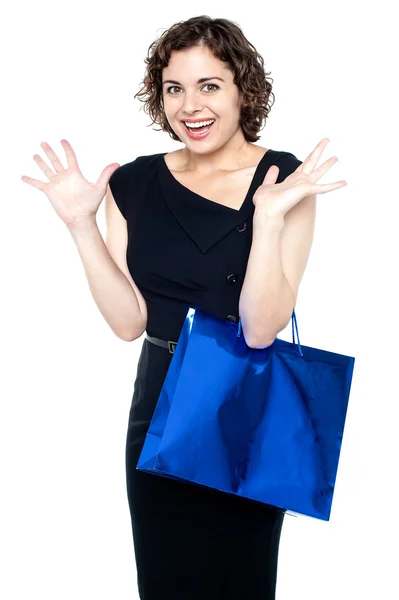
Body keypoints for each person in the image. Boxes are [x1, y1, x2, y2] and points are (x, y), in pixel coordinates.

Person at [21, 14, 346, 600]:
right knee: (168, 583)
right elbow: (128, 323)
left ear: (243, 88)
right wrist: (79, 226)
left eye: (209, 85)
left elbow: (262, 326)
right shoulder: (135, 184)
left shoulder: (283, 179)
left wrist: (268, 221)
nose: (190, 106)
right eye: (175, 88)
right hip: (160, 404)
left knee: (241, 581)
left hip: (245, 401)